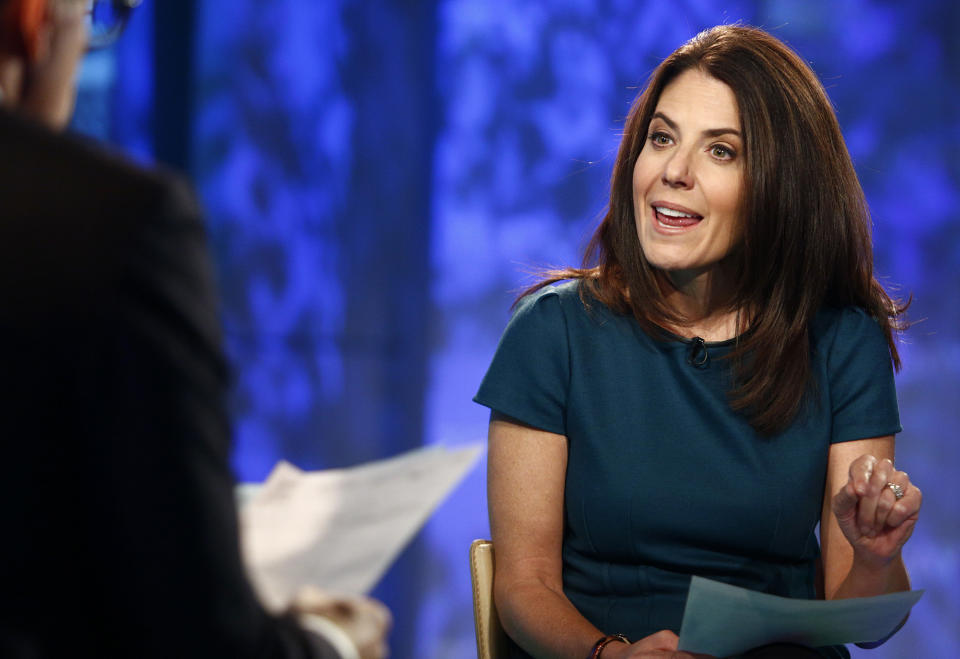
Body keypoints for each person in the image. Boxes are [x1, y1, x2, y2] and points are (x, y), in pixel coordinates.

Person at [475, 24, 922, 659]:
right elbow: (525, 586)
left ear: (781, 185)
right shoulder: (556, 332)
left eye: (721, 151)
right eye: (661, 138)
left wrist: (877, 560)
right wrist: (612, 655)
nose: (673, 172)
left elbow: (864, 622)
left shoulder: (841, 342)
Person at [0, 1, 389, 657]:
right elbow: (203, 637)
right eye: (95, 16)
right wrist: (332, 641)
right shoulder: (112, 222)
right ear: (34, 23)